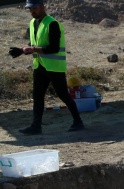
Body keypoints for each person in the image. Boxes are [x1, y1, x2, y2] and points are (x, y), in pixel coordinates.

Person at [16, 0, 84, 135]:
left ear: (42, 6)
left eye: (34, 8)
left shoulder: (52, 24)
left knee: (63, 94)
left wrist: (32, 48)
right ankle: (36, 126)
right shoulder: (32, 23)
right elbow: (34, 43)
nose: (31, 11)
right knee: (38, 96)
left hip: (54, 67)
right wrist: (23, 50)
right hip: (39, 65)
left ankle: (78, 122)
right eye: (29, 9)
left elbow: (53, 48)